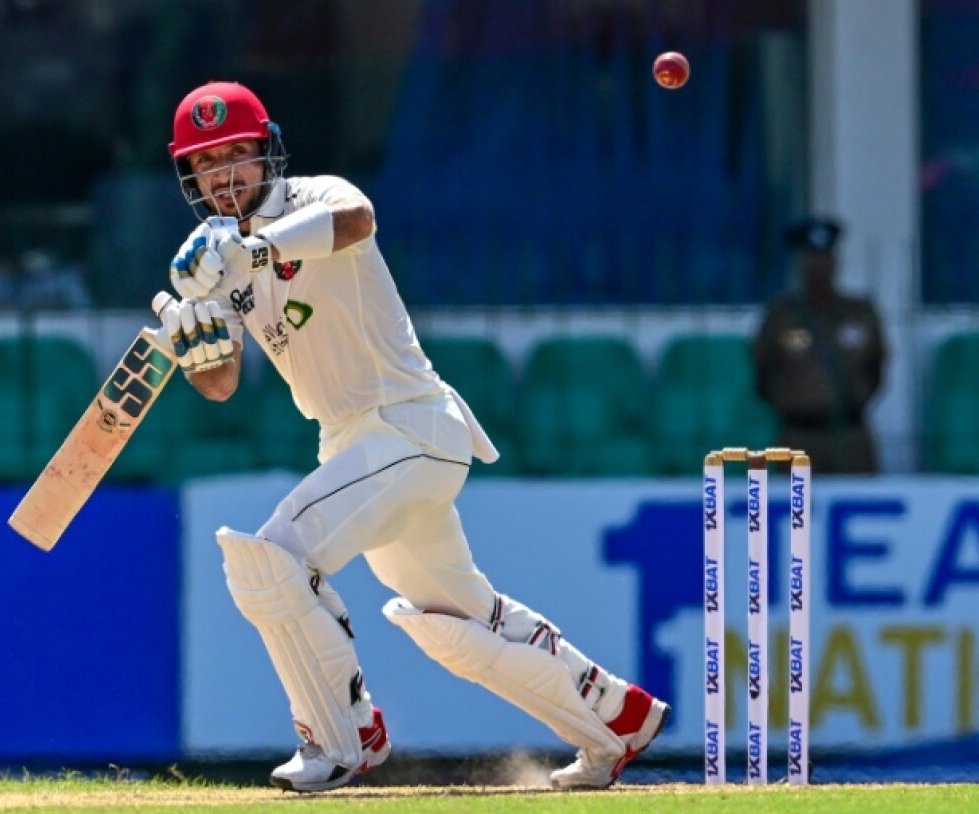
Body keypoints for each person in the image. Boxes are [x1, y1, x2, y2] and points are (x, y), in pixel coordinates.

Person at [152, 80, 669, 793]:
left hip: (409, 427)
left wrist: (256, 251)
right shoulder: (209, 259)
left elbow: (359, 218)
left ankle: (340, 738)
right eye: (208, 164)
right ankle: (614, 718)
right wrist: (199, 348)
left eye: (237, 156)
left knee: (268, 559)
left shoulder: (308, 201)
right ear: (190, 176)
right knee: (458, 623)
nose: (225, 176)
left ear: (266, 154)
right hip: (358, 451)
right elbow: (222, 384)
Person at [753, 216, 888, 473]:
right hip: (798, 437)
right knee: (796, 510)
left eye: (825, 257)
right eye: (811, 258)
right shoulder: (781, 316)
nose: (819, 266)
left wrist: (855, 399)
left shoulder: (859, 312)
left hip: (850, 437)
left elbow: (876, 368)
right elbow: (762, 373)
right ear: (800, 264)